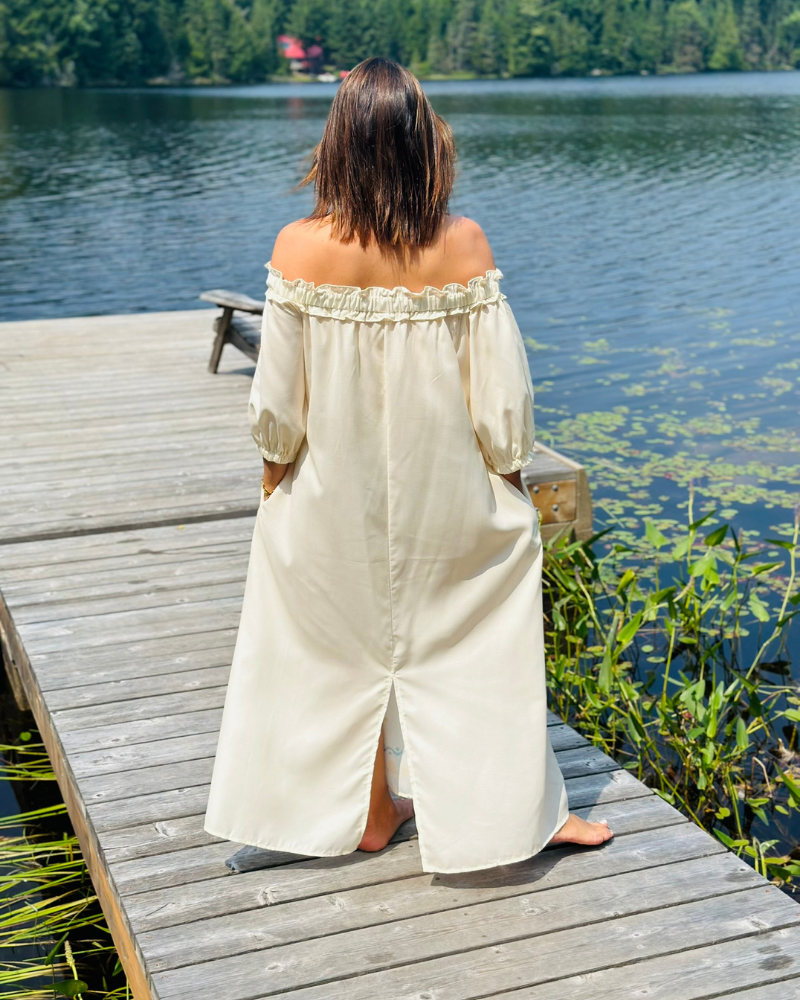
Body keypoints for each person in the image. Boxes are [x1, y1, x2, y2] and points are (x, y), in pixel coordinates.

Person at [203, 56, 613, 874]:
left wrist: (274, 482)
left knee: (330, 651)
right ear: (423, 141)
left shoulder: (297, 246)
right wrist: (509, 481)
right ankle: (516, 817)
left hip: (330, 499)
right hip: (449, 496)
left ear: (339, 143)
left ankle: (371, 812)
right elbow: (502, 402)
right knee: (478, 644)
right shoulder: (462, 243)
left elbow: (278, 406)